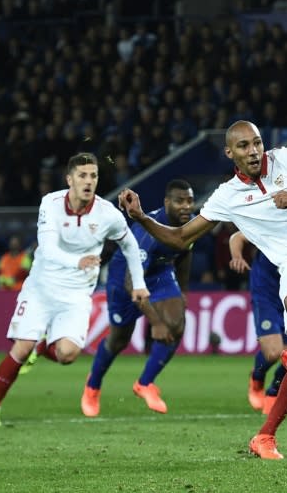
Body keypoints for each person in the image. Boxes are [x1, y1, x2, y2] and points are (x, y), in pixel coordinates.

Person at [118, 120, 287, 459]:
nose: (253, 151)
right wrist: (142, 217)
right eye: (244, 146)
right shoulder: (227, 196)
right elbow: (179, 237)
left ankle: (276, 419)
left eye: (257, 143)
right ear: (230, 152)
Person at [0, 152, 149, 427]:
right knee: (21, 349)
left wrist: (139, 284)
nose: (88, 181)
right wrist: (77, 261)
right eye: (82, 175)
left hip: (77, 293)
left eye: (93, 175)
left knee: (68, 355)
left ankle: (41, 346)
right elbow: (46, 249)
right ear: (69, 179)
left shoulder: (107, 214)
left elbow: (130, 245)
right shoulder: (51, 203)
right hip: (42, 287)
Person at [81, 179, 195, 417]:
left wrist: (182, 292)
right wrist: (157, 323)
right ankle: (92, 387)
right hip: (126, 280)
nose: (186, 206)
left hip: (161, 273)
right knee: (119, 340)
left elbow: (185, 252)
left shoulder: (190, 225)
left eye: (190, 201)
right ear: (167, 203)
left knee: (177, 325)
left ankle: (144, 383)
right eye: (179, 201)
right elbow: (132, 282)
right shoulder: (148, 232)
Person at [229, 231, 287, 416]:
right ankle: (257, 378)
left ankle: (273, 392)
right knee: (273, 352)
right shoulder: (269, 223)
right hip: (265, 293)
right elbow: (237, 237)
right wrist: (237, 257)